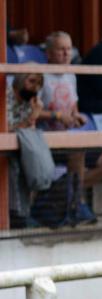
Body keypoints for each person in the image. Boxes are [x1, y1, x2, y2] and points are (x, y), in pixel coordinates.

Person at [40, 31, 102, 203]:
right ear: (49, 53)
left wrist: (77, 116)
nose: (67, 53)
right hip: (47, 142)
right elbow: (30, 112)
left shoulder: (71, 75)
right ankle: (74, 204)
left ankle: (63, 190)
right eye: (61, 49)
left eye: (69, 49)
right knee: (77, 154)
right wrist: (58, 116)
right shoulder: (39, 77)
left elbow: (73, 107)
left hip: (70, 139)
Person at [6, 72, 44, 227]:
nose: (35, 88)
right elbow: (7, 129)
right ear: (21, 80)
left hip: (20, 147)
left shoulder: (30, 101)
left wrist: (33, 116)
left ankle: (25, 213)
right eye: (31, 82)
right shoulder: (6, 95)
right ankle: (15, 214)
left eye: (39, 84)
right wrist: (32, 117)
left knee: (33, 160)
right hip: (5, 148)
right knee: (14, 164)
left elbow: (29, 131)